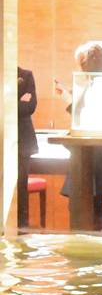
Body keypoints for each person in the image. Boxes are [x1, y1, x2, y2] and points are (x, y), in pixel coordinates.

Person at [60, 43, 102, 230]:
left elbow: (91, 117)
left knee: (89, 206)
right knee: (92, 205)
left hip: (94, 151)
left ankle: (95, 251)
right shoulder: (98, 83)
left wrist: (69, 101)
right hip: (94, 150)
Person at [16, 67, 38, 228]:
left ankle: (22, 226)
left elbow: (30, 106)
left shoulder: (25, 75)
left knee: (20, 184)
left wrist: (7, 103)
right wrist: (17, 100)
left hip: (22, 141)